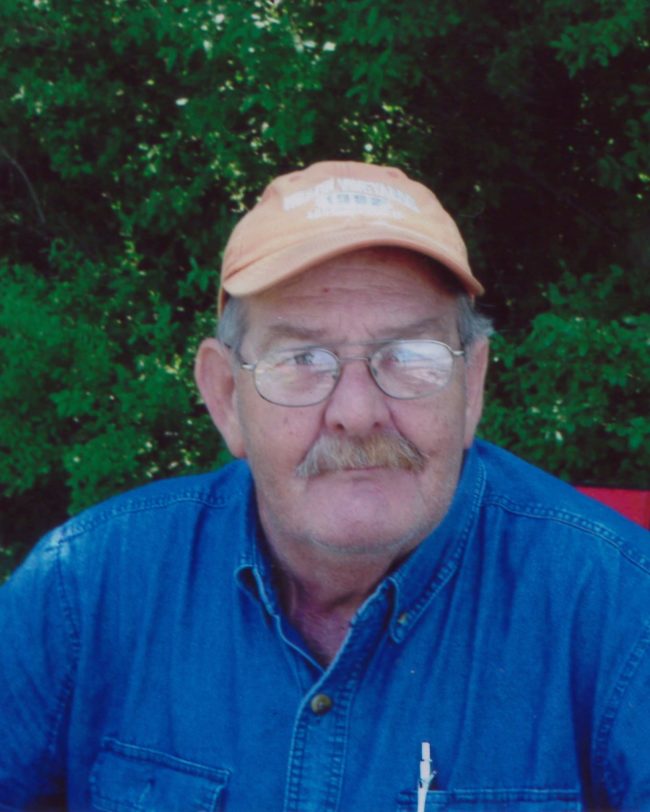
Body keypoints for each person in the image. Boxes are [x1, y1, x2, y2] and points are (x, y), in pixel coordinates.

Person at [0, 161, 648, 812]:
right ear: (225, 396)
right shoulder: (83, 589)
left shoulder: (620, 609)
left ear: (472, 386)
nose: (357, 411)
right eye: (303, 359)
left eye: (409, 355)